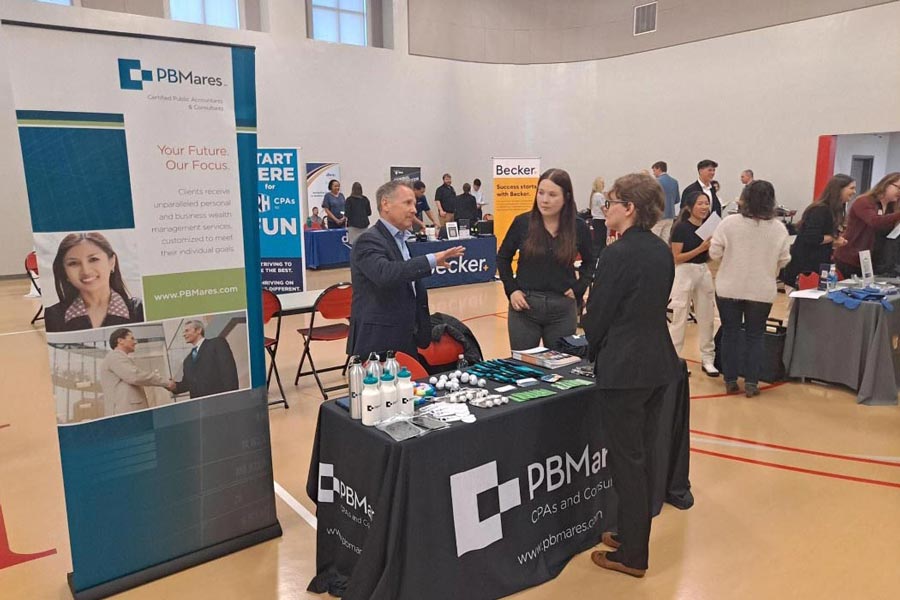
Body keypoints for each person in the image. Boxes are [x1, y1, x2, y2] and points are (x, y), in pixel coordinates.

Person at [582, 172, 681, 579]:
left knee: (627, 461)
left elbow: (598, 317)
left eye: (611, 202)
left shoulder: (618, 254)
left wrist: (590, 338)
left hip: (625, 368)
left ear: (630, 208)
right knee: (641, 454)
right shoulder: (660, 250)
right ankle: (628, 533)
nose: (606, 209)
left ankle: (633, 556)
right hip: (659, 361)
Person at [347, 180, 465, 359]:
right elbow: (385, 274)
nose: (414, 210)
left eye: (414, 204)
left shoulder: (401, 240)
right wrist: (431, 260)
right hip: (379, 341)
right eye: (407, 203)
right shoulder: (368, 240)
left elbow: (405, 277)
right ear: (385, 204)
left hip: (405, 336)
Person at [709, 181, 791, 397]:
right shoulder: (778, 228)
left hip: (729, 287)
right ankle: (753, 382)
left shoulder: (729, 223)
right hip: (761, 290)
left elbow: (715, 253)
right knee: (756, 336)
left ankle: (730, 379)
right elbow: (784, 260)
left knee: (730, 333)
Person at [497, 168, 592, 350]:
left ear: (566, 197)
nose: (544, 200)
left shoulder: (578, 227)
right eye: (540, 193)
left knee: (562, 370)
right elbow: (503, 258)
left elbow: (590, 261)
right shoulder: (522, 222)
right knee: (522, 368)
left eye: (552, 194)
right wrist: (512, 290)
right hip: (525, 307)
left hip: (562, 309)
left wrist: (580, 287)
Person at [45, 232, 143, 332]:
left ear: (112, 262)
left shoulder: (139, 310)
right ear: (64, 272)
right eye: (73, 263)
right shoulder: (53, 316)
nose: (86, 271)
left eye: (93, 259)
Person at [668, 192, 717, 376]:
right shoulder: (681, 227)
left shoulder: (709, 227)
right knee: (679, 317)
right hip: (684, 272)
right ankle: (674, 359)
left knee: (707, 316)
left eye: (706, 203)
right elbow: (676, 258)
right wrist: (700, 248)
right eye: (700, 203)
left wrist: (711, 249)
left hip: (702, 270)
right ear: (689, 206)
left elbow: (709, 256)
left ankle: (708, 358)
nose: (704, 207)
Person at [784, 174, 854, 287]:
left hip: (819, 264)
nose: (854, 192)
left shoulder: (836, 210)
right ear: (839, 189)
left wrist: (834, 241)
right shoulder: (820, 210)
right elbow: (812, 237)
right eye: (851, 188)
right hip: (805, 267)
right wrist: (834, 237)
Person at [833, 172, 900, 277]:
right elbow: (875, 221)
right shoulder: (864, 201)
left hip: (873, 261)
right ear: (886, 184)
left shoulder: (892, 208)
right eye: (898, 188)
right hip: (850, 259)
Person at [100, 328, 175, 416]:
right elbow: (135, 376)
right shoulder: (115, 356)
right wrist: (165, 383)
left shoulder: (118, 358)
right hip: (127, 413)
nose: (135, 342)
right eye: (132, 338)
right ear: (120, 341)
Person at [173, 320, 240, 399]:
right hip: (200, 407)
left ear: (198, 330)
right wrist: (170, 385)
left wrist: (232, 398)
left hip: (222, 402)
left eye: (187, 331)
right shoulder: (187, 361)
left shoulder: (217, 344)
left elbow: (229, 373)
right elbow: (186, 385)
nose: (184, 334)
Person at [651, 161, 680, 242]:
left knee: (655, 239)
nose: (653, 173)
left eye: (654, 170)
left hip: (658, 215)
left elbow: (651, 199)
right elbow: (677, 199)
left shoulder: (656, 182)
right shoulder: (674, 182)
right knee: (665, 239)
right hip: (671, 215)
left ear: (659, 169)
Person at [589, 177, 607, 257]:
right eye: (602, 183)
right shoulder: (599, 196)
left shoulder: (594, 195)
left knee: (597, 241)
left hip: (596, 219)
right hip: (600, 220)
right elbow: (604, 208)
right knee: (601, 242)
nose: (604, 185)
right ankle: (599, 258)